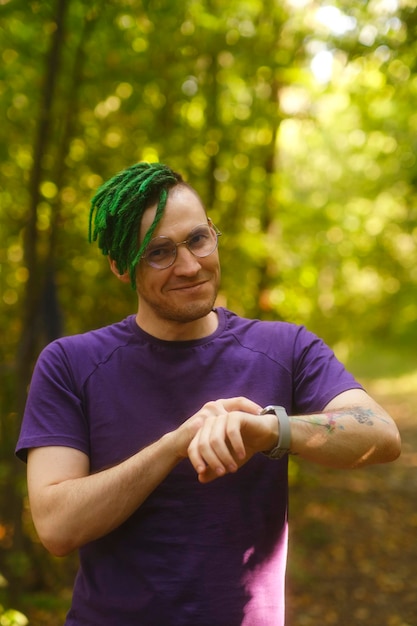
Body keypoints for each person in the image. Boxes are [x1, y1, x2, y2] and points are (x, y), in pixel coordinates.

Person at [16, 161, 401, 626]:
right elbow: (56, 527)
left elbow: (381, 435)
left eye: (198, 239)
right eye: (159, 252)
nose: (190, 265)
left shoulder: (285, 347)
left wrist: (269, 431)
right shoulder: (70, 363)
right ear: (121, 266)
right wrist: (174, 446)